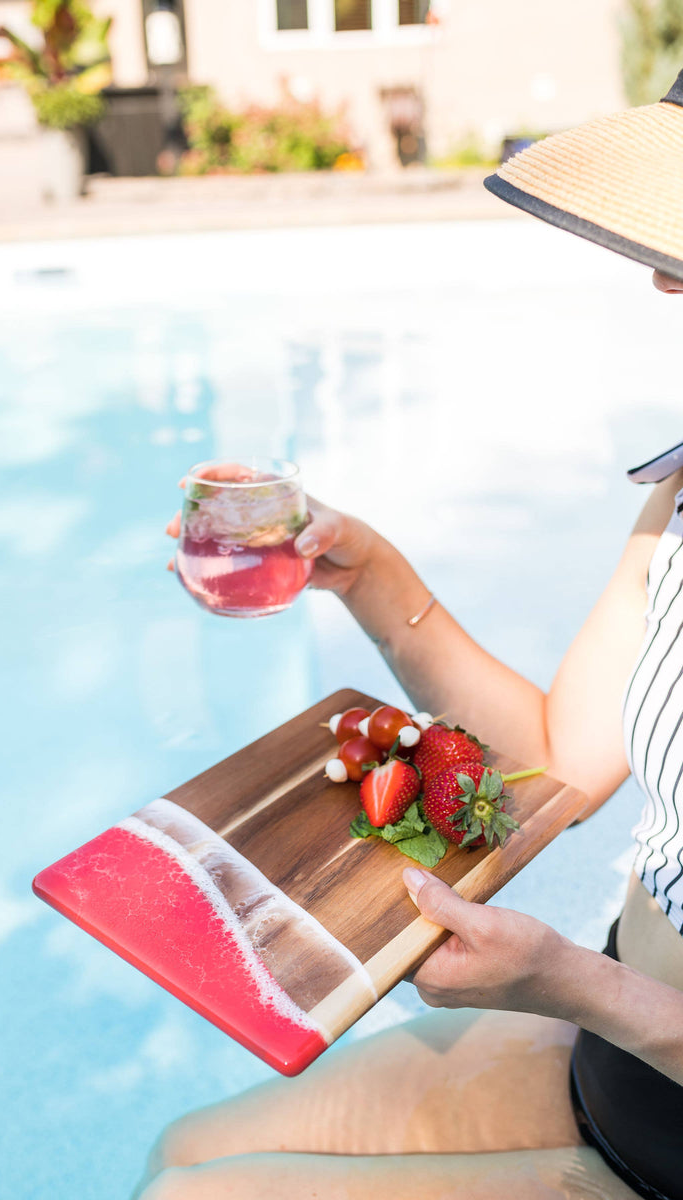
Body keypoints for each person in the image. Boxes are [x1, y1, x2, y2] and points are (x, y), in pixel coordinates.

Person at [138, 72, 683, 1200]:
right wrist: (367, 571)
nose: (656, 272)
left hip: (654, 1127)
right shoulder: (680, 491)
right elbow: (555, 756)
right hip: (614, 1065)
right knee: (179, 1155)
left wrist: (568, 982)